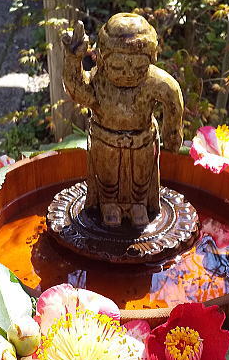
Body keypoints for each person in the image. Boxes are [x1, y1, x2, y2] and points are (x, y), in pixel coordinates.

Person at [61, 13, 184, 228]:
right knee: (107, 177)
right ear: (102, 59)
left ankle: (139, 204)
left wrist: (172, 133)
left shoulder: (154, 81)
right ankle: (108, 204)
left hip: (142, 141)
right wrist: (73, 59)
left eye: (138, 67)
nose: (128, 73)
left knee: (141, 177)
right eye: (118, 67)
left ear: (151, 59)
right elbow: (77, 90)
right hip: (104, 140)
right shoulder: (99, 81)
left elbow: (173, 98)